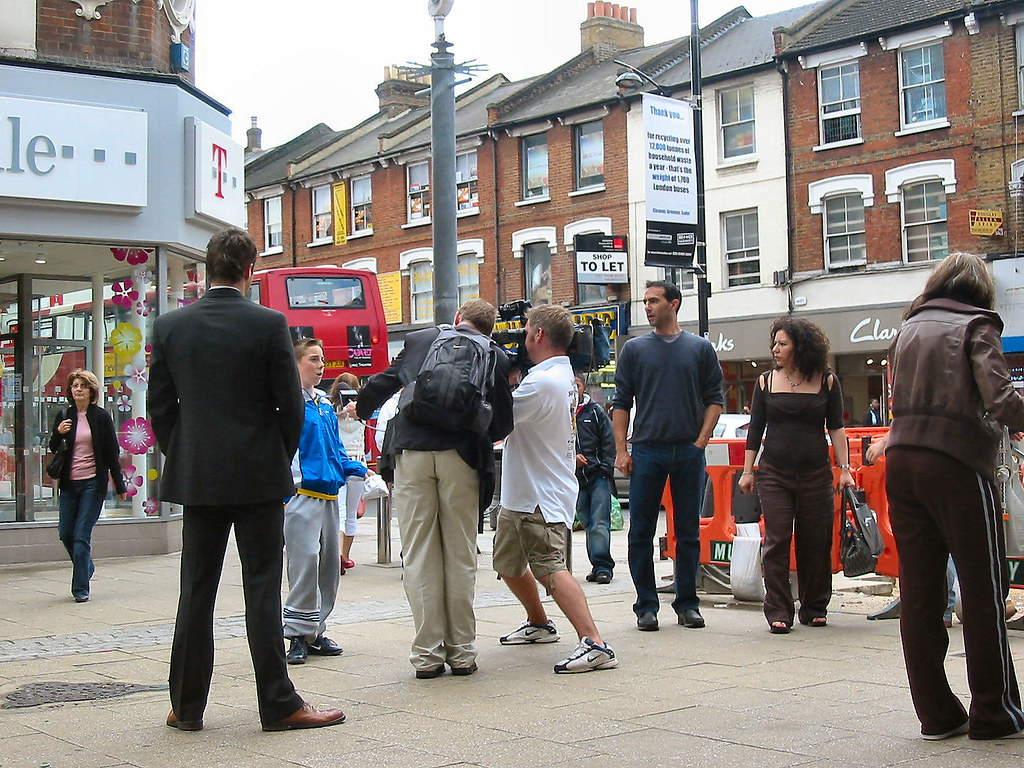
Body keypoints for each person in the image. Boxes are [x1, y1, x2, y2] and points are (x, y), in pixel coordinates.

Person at [148, 227, 346, 732]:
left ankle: (186, 707)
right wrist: (275, 459)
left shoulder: (171, 326)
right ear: (249, 270)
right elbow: (290, 406)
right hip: (258, 477)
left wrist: (188, 456)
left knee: (195, 590)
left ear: (206, 269)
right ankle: (278, 704)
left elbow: (161, 411)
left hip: (199, 480)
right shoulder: (268, 324)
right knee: (261, 588)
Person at [881, 252, 1024, 741]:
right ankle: (994, 712)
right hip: (957, 461)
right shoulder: (977, 325)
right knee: (983, 590)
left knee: (920, 594)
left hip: (903, 460)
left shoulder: (908, 327)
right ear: (979, 288)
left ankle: (938, 714)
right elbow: (1001, 399)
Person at [356, 298, 513, 678]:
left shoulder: (423, 339)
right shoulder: (495, 356)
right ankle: (462, 652)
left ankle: (427, 655)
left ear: (457, 318)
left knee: (420, 552)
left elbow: (383, 383)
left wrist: (361, 410)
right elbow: (503, 423)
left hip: (411, 452)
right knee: (459, 554)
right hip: (462, 457)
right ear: (489, 329)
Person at [495, 305, 618, 673]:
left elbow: (497, 419)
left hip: (540, 495)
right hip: (524, 491)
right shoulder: (559, 375)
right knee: (508, 563)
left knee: (550, 569)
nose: (522, 339)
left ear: (538, 335)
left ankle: (595, 643)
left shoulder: (542, 382)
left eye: (527, 331)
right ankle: (539, 623)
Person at [612, 281, 724, 632]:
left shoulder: (700, 348)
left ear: (673, 304)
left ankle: (687, 603)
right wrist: (621, 450)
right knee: (640, 531)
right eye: (645, 301)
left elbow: (715, 398)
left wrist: (701, 441)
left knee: (688, 530)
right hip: (647, 449)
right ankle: (646, 605)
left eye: (654, 301)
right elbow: (621, 402)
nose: (647, 307)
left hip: (688, 451)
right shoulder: (634, 349)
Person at [738, 317, 854, 633]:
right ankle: (778, 610)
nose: (775, 349)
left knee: (815, 540)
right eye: (774, 343)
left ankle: (815, 606)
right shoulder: (764, 382)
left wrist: (844, 470)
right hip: (774, 472)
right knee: (776, 539)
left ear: (799, 346)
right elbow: (756, 430)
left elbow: (837, 428)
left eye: (782, 343)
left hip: (815, 472)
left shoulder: (827, 381)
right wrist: (748, 471)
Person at [283, 339, 367, 665]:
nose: (320, 366)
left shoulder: (321, 403)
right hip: (301, 494)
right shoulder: (288, 402)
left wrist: (356, 469)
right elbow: (280, 449)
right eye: (314, 359)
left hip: (329, 494)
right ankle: (295, 634)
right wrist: (284, 492)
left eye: (323, 359)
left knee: (329, 566)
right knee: (304, 564)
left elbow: (334, 450)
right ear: (297, 362)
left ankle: (315, 631)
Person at [49, 369, 127, 603]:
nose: (78, 389)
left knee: (81, 535)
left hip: (93, 483)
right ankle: (86, 566)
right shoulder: (64, 415)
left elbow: (112, 453)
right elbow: (55, 448)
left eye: (83, 385)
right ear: (70, 391)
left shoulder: (100, 417)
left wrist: (120, 485)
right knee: (66, 533)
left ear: (91, 390)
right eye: (75, 386)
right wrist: (57, 432)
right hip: (70, 484)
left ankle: (80, 588)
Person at [574, 373, 616, 584]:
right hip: (574, 479)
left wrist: (604, 468)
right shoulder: (562, 413)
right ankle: (596, 564)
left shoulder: (596, 412)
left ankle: (603, 567)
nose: (574, 388)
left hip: (597, 475)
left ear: (585, 387)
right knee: (587, 522)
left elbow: (609, 441)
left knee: (600, 522)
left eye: (578, 384)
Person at [329, 372, 371, 572]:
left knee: (340, 511)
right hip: (357, 464)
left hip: (337, 463)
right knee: (351, 513)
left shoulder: (329, 410)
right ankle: (346, 556)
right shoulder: (362, 412)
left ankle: (336, 553)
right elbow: (369, 444)